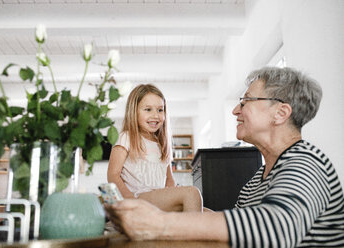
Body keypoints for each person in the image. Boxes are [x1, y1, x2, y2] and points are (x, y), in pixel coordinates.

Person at [105, 67, 344, 247]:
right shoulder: (254, 184)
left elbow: (276, 229)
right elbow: (237, 228)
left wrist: (161, 222)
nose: (235, 110)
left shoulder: (306, 164)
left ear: (280, 113)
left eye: (247, 101)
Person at [107, 84, 203, 212]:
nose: (155, 116)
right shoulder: (127, 137)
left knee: (209, 213)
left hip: (158, 198)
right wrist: (130, 199)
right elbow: (113, 175)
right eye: (148, 109)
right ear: (134, 111)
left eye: (160, 110)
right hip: (138, 197)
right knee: (192, 194)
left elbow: (169, 179)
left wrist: (171, 195)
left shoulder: (161, 143)